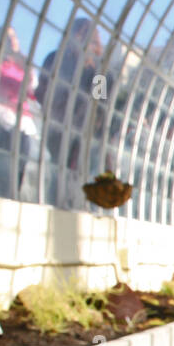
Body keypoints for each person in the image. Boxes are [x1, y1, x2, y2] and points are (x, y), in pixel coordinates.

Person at [36, 18, 108, 207]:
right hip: (59, 130)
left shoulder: (98, 70)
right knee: (61, 171)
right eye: (85, 37)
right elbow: (42, 91)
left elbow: (100, 103)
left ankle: (76, 208)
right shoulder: (55, 60)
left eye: (92, 40)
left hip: (82, 135)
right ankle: (61, 207)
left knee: (77, 175)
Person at [0, 26, 37, 198]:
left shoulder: (22, 67)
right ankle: (0, 202)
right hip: (4, 121)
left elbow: (32, 94)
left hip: (23, 121)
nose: (12, 41)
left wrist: (28, 72)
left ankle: (12, 199)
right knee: (4, 169)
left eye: (14, 37)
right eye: (7, 38)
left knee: (20, 167)